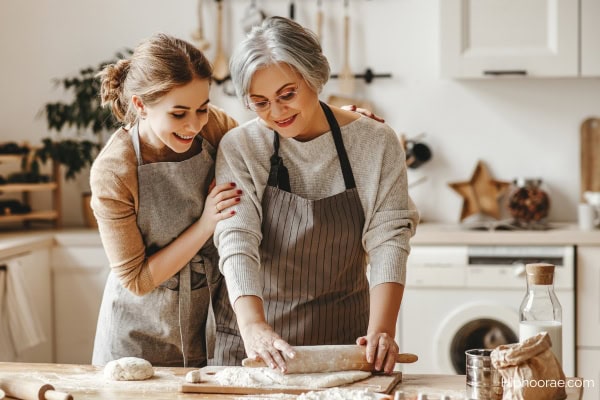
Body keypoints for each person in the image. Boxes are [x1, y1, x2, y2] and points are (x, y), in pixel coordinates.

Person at [213, 16, 419, 375]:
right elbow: (237, 237)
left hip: (344, 340)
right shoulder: (242, 146)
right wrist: (252, 326)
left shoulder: (375, 141)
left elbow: (389, 237)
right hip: (256, 341)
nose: (276, 113)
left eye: (287, 94)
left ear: (315, 77)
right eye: (260, 102)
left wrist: (382, 331)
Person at [90, 33, 241, 367]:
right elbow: (137, 279)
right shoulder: (115, 171)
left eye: (202, 108)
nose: (193, 124)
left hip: (206, 323)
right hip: (138, 335)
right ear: (141, 105)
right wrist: (205, 225)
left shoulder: (213, 126)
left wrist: (340, 121)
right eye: (178, 114)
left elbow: (266, 141)